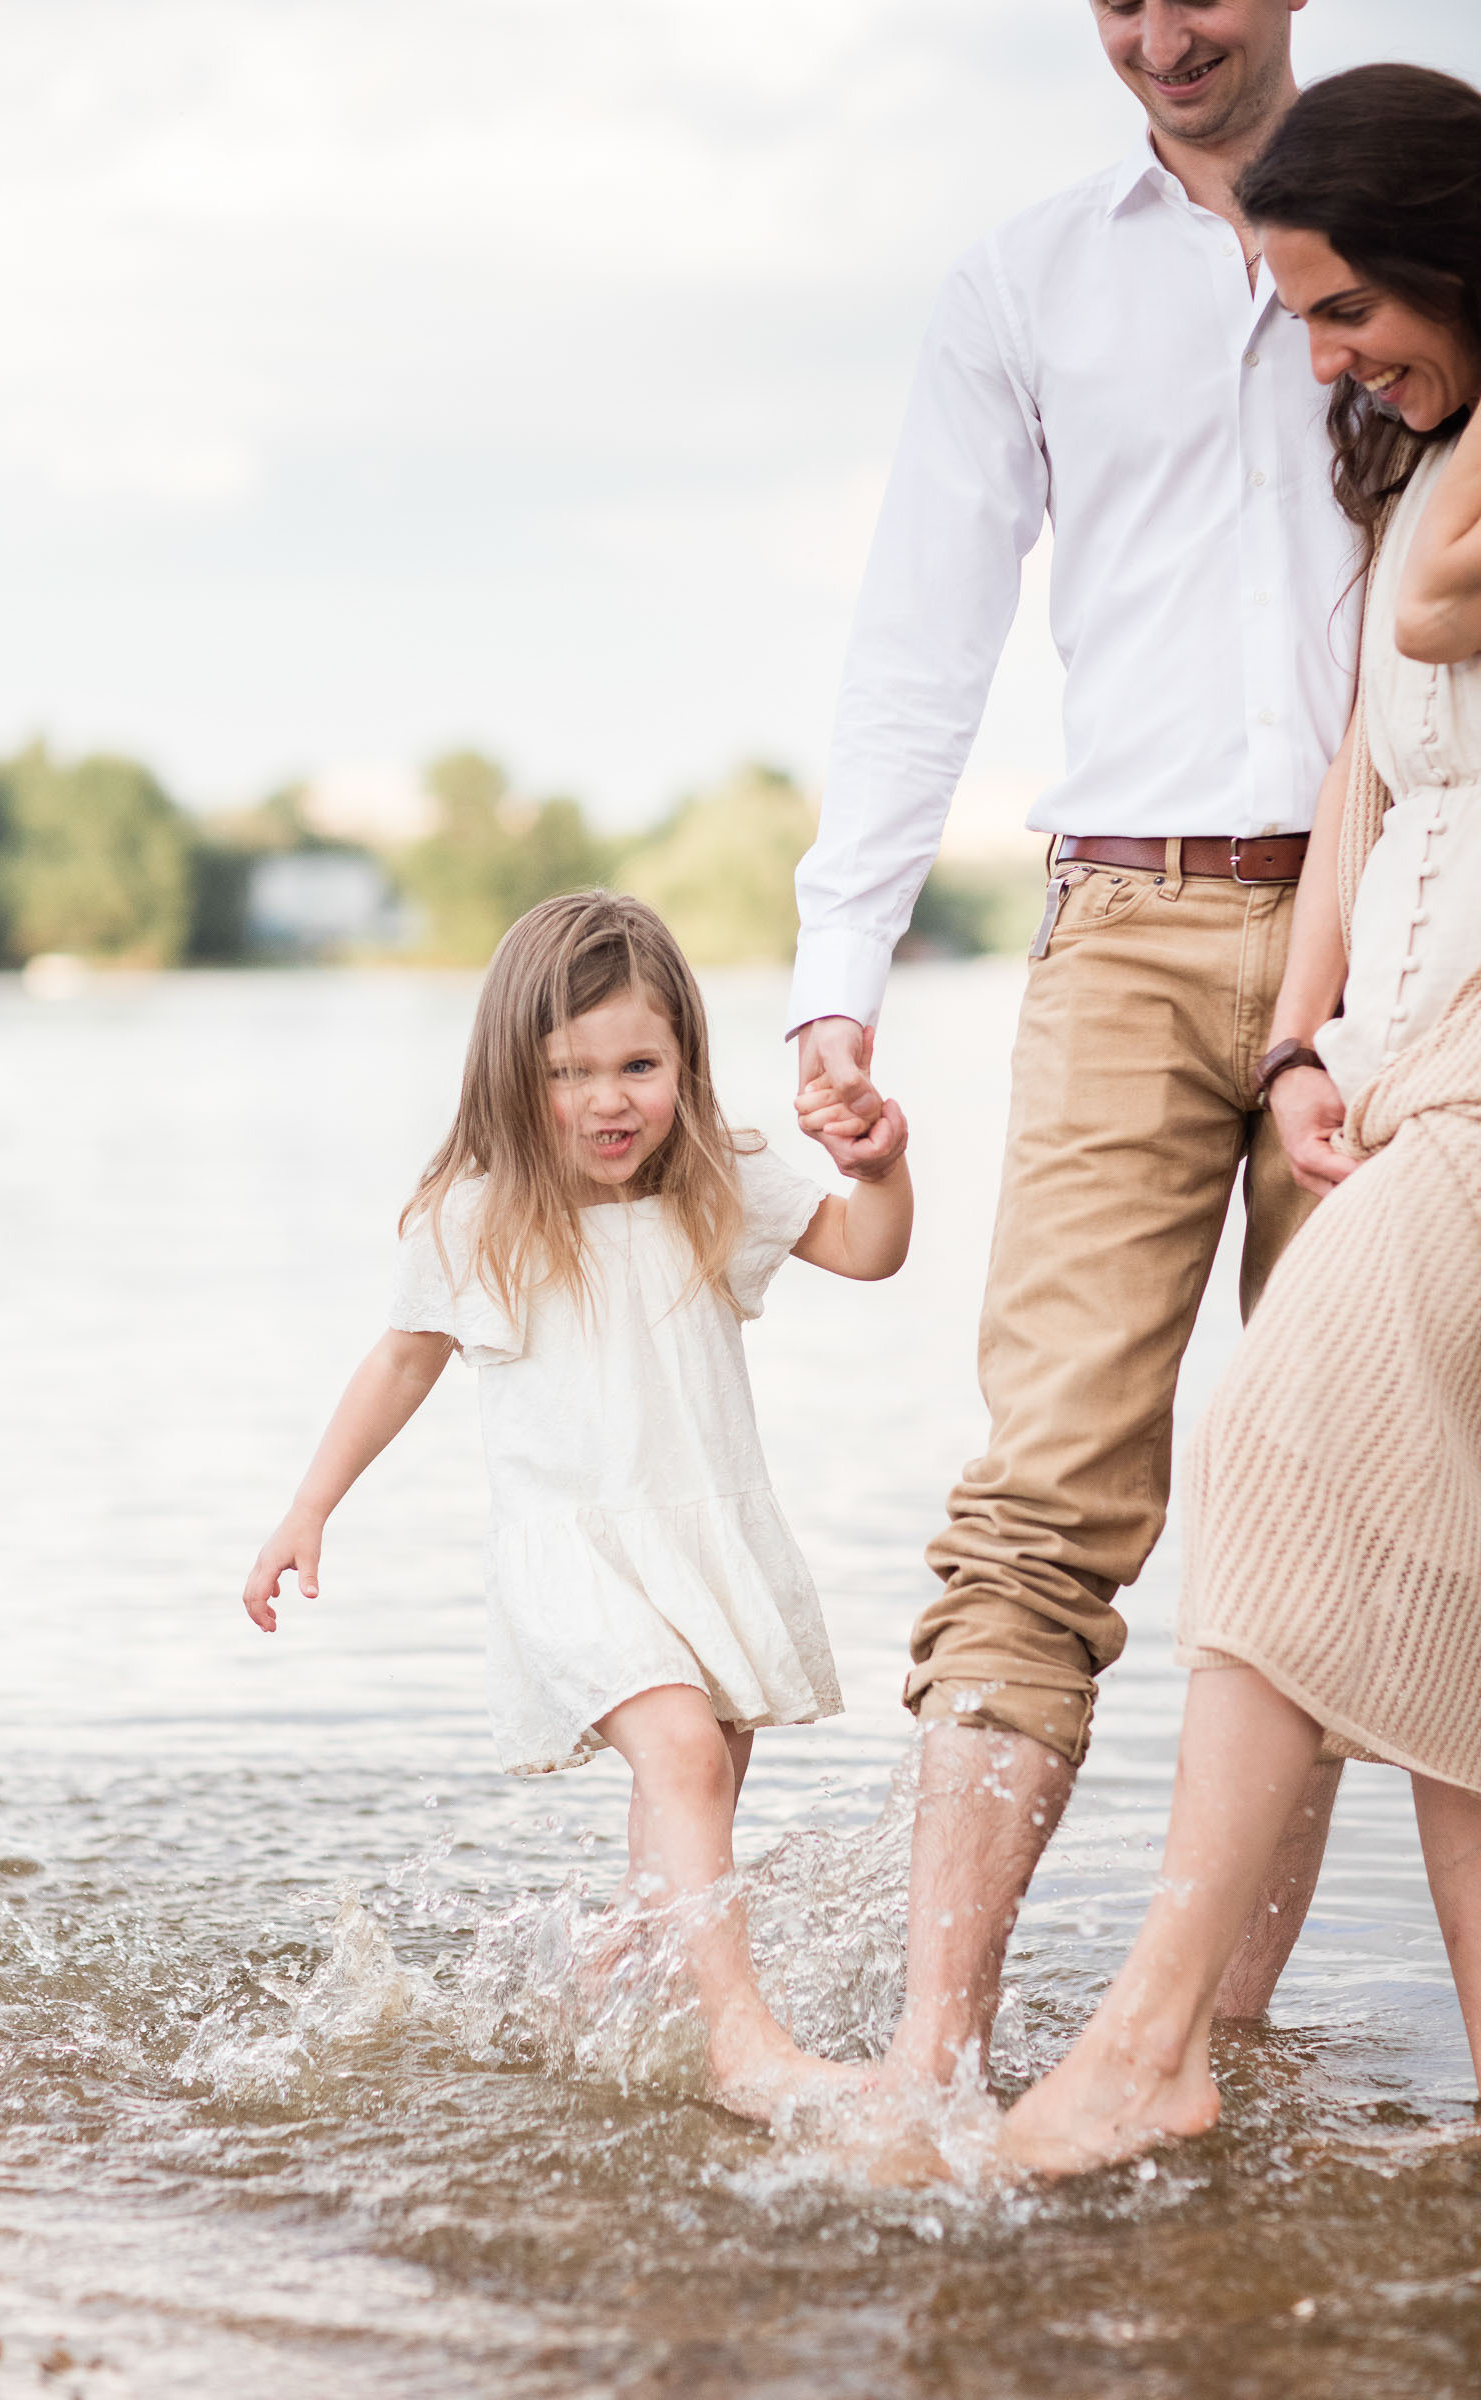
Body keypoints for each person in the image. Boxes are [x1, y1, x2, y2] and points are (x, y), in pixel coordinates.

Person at [790, 0, 1363, 2103]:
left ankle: (1206, 2048)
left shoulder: (1417, 220)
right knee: (1039, 1500)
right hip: (1117, 920)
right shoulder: (1020, 281)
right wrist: (834, 962)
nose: (1154, 33)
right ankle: (930, 2064)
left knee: (1318, 1515)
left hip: (1394, 937)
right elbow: (919, 633)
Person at [1002, 60, 1481, 2176]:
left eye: (1342, 304)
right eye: (1295, 315)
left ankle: (1149, 2036)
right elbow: (1368, 795)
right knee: (1452, 1592)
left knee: (1272, 1446)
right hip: (1401, 1050)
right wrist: (1302, 1047)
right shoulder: (1413, 457)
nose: (1321, 353)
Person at [241, 890, 913, 2118]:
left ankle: (601, 1993)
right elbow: (399, 1361)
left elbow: (870, 1251)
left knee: (694, 1797)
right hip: (572, 1557)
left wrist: (883, 1166)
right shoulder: (480, 1215)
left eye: (639, 1065)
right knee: (680, 1756)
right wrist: (308, 1508)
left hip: (703, 1539)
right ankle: (739, 2043)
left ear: (684, 1064)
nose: (609, 1100)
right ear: (512, 1076)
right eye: (570, 1073)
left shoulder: (724, 1181)